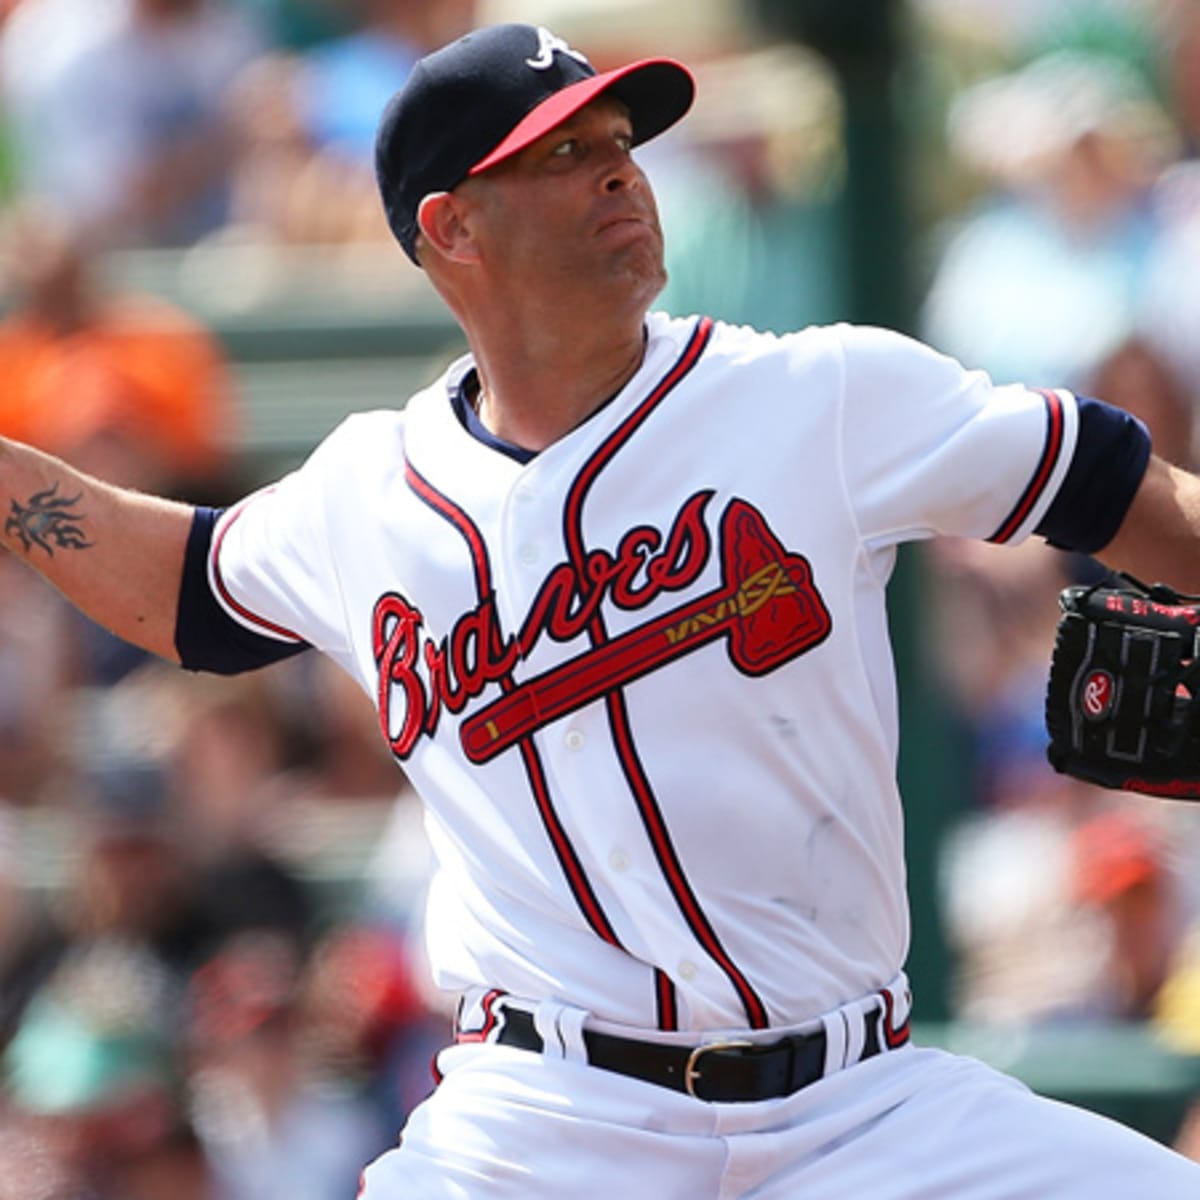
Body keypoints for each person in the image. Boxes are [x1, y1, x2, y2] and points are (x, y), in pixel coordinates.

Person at [2, 19, 1200, 1198]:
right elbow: (183, 586)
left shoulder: (817, 397)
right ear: (450, 224)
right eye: (562, 154)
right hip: (547, 1122)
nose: (621, 171)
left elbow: (1116, 486)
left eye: (620, 140)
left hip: (862, 1106)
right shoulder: (367, 494)